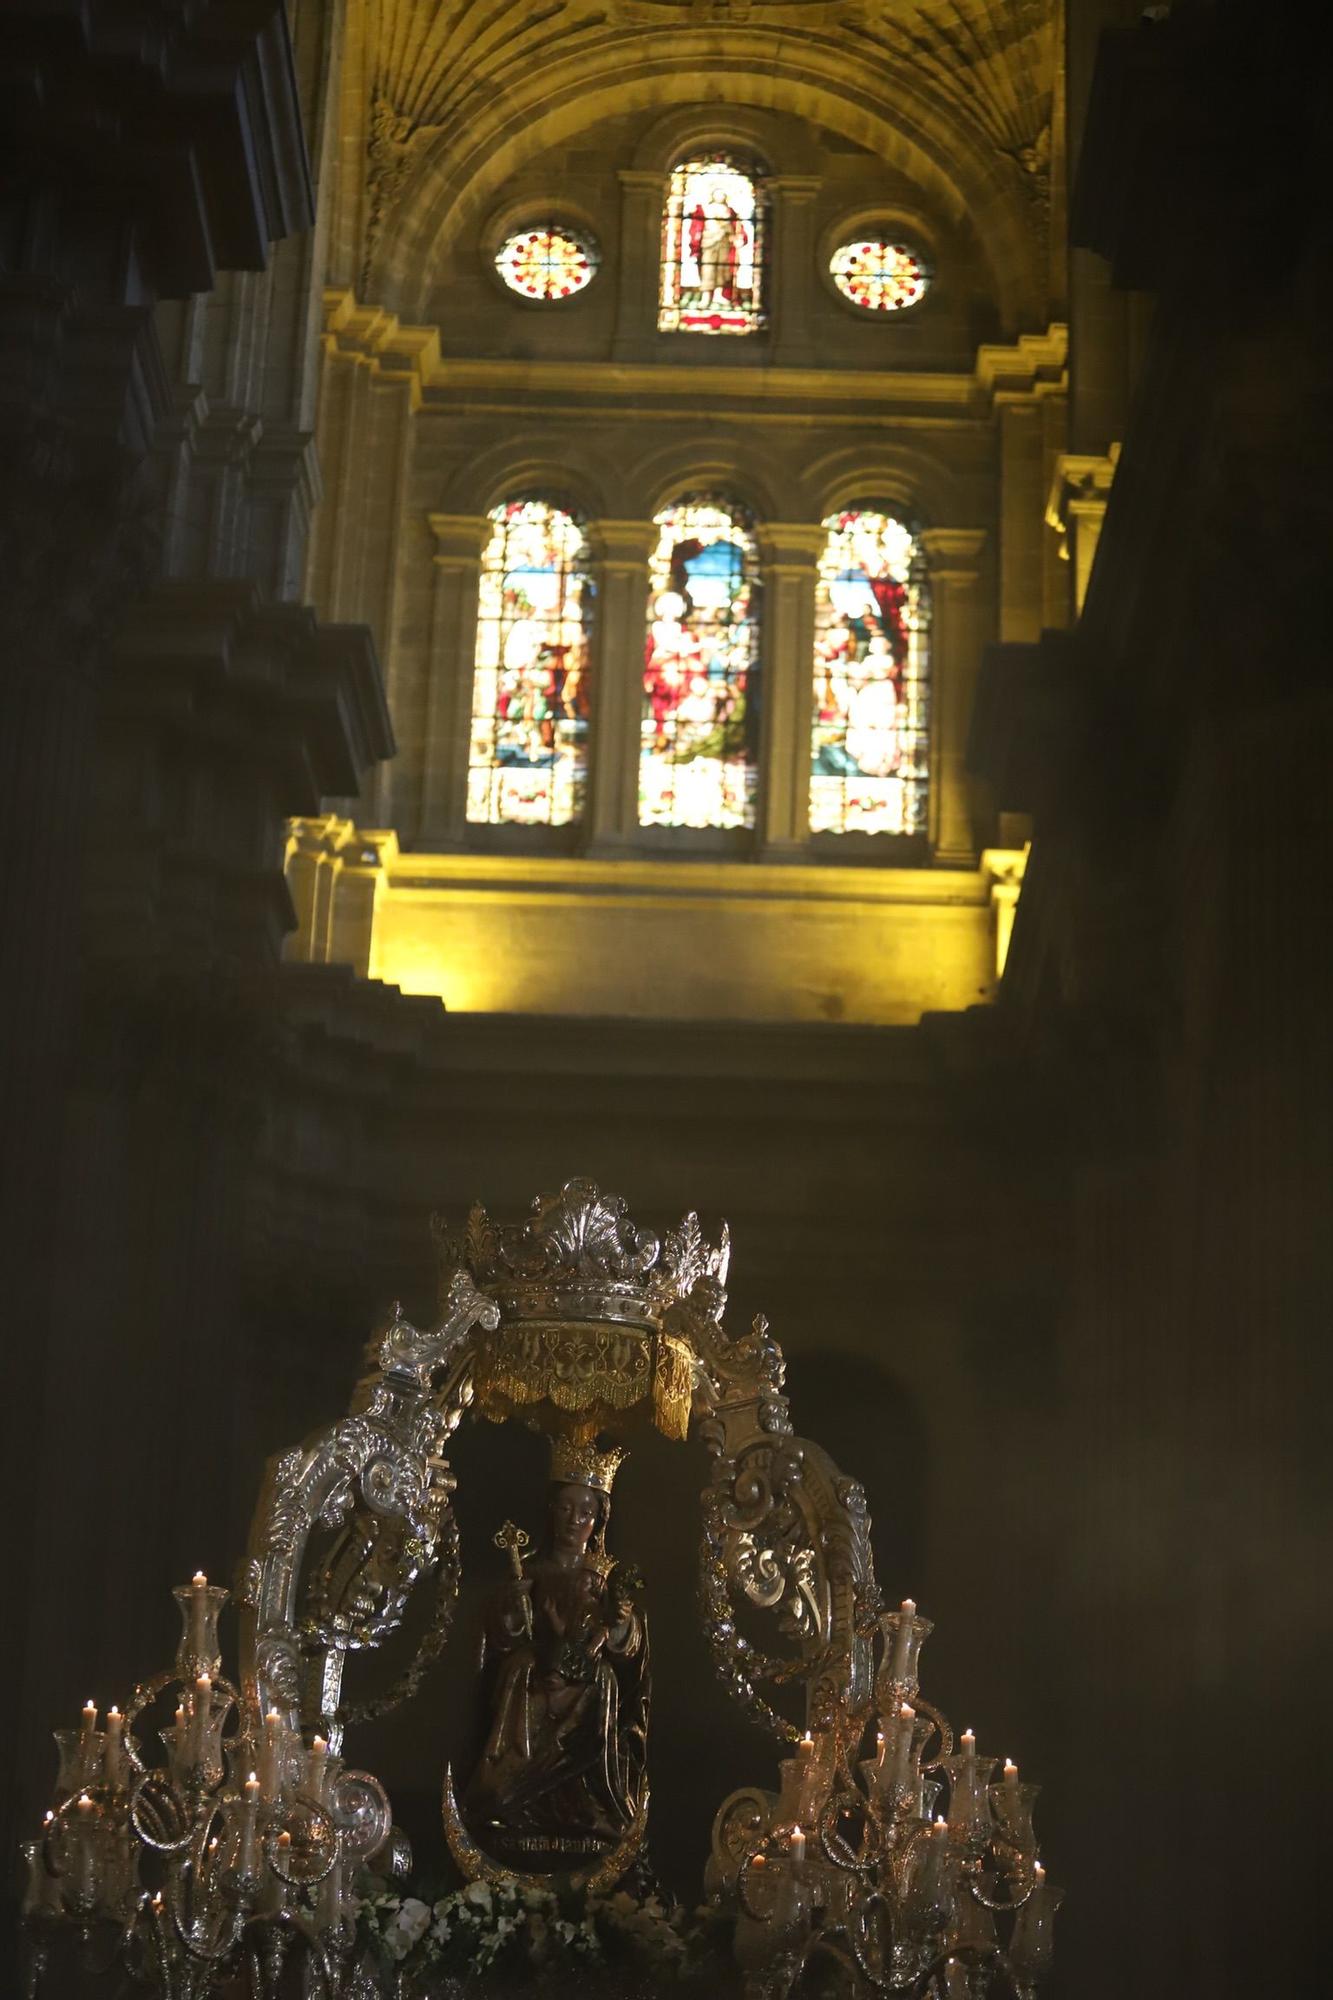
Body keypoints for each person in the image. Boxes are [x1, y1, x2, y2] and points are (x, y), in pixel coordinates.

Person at [462, 1437, 648, 1872]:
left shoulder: (605, 1577)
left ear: (598, 1520)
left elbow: (630, 1649)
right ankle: (505, 1793)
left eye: (585, 1512)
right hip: (531, 1675)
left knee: (602, 1680)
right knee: (520, 1669)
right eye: (566, 1508)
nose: (574, 1520)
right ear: (551, 1510)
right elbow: (503, 1640)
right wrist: (513, 1605)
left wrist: (619, 1621)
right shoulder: (525, 1567)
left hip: (585, 1675)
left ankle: (587, 1805)